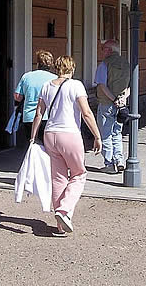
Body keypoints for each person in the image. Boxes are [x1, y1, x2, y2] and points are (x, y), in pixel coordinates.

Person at [31, 56, 102, 236]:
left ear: (56, 68)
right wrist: (97, 136)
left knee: (58, 178)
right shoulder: (75, 85)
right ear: (72, 68)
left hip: (49, 134)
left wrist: (32, 137)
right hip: (69, 134)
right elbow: (86, 113)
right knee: (79, 174)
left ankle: (60, 226)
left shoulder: (47, 85)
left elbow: (39, 113)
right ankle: (64, 211)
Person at [94, 39, 130, 174]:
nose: (102, 51)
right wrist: (121, 100)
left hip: (106, 104)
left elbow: (102, 85)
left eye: (103, 49)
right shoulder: (126, 64)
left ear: (109, 50)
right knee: (117, 133)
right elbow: (128, 87)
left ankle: (109, 164)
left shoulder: (104, 65)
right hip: (121, 105)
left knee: (106, 134)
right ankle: (119, 160)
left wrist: (113, 99)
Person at [14, 50, 57, 142]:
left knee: (33, 147)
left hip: (29, 117)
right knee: (48, 148)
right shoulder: (55, 78)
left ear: (37, 63)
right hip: (48, 117)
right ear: (51, 65)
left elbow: (17, 97)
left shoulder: (26, 76)